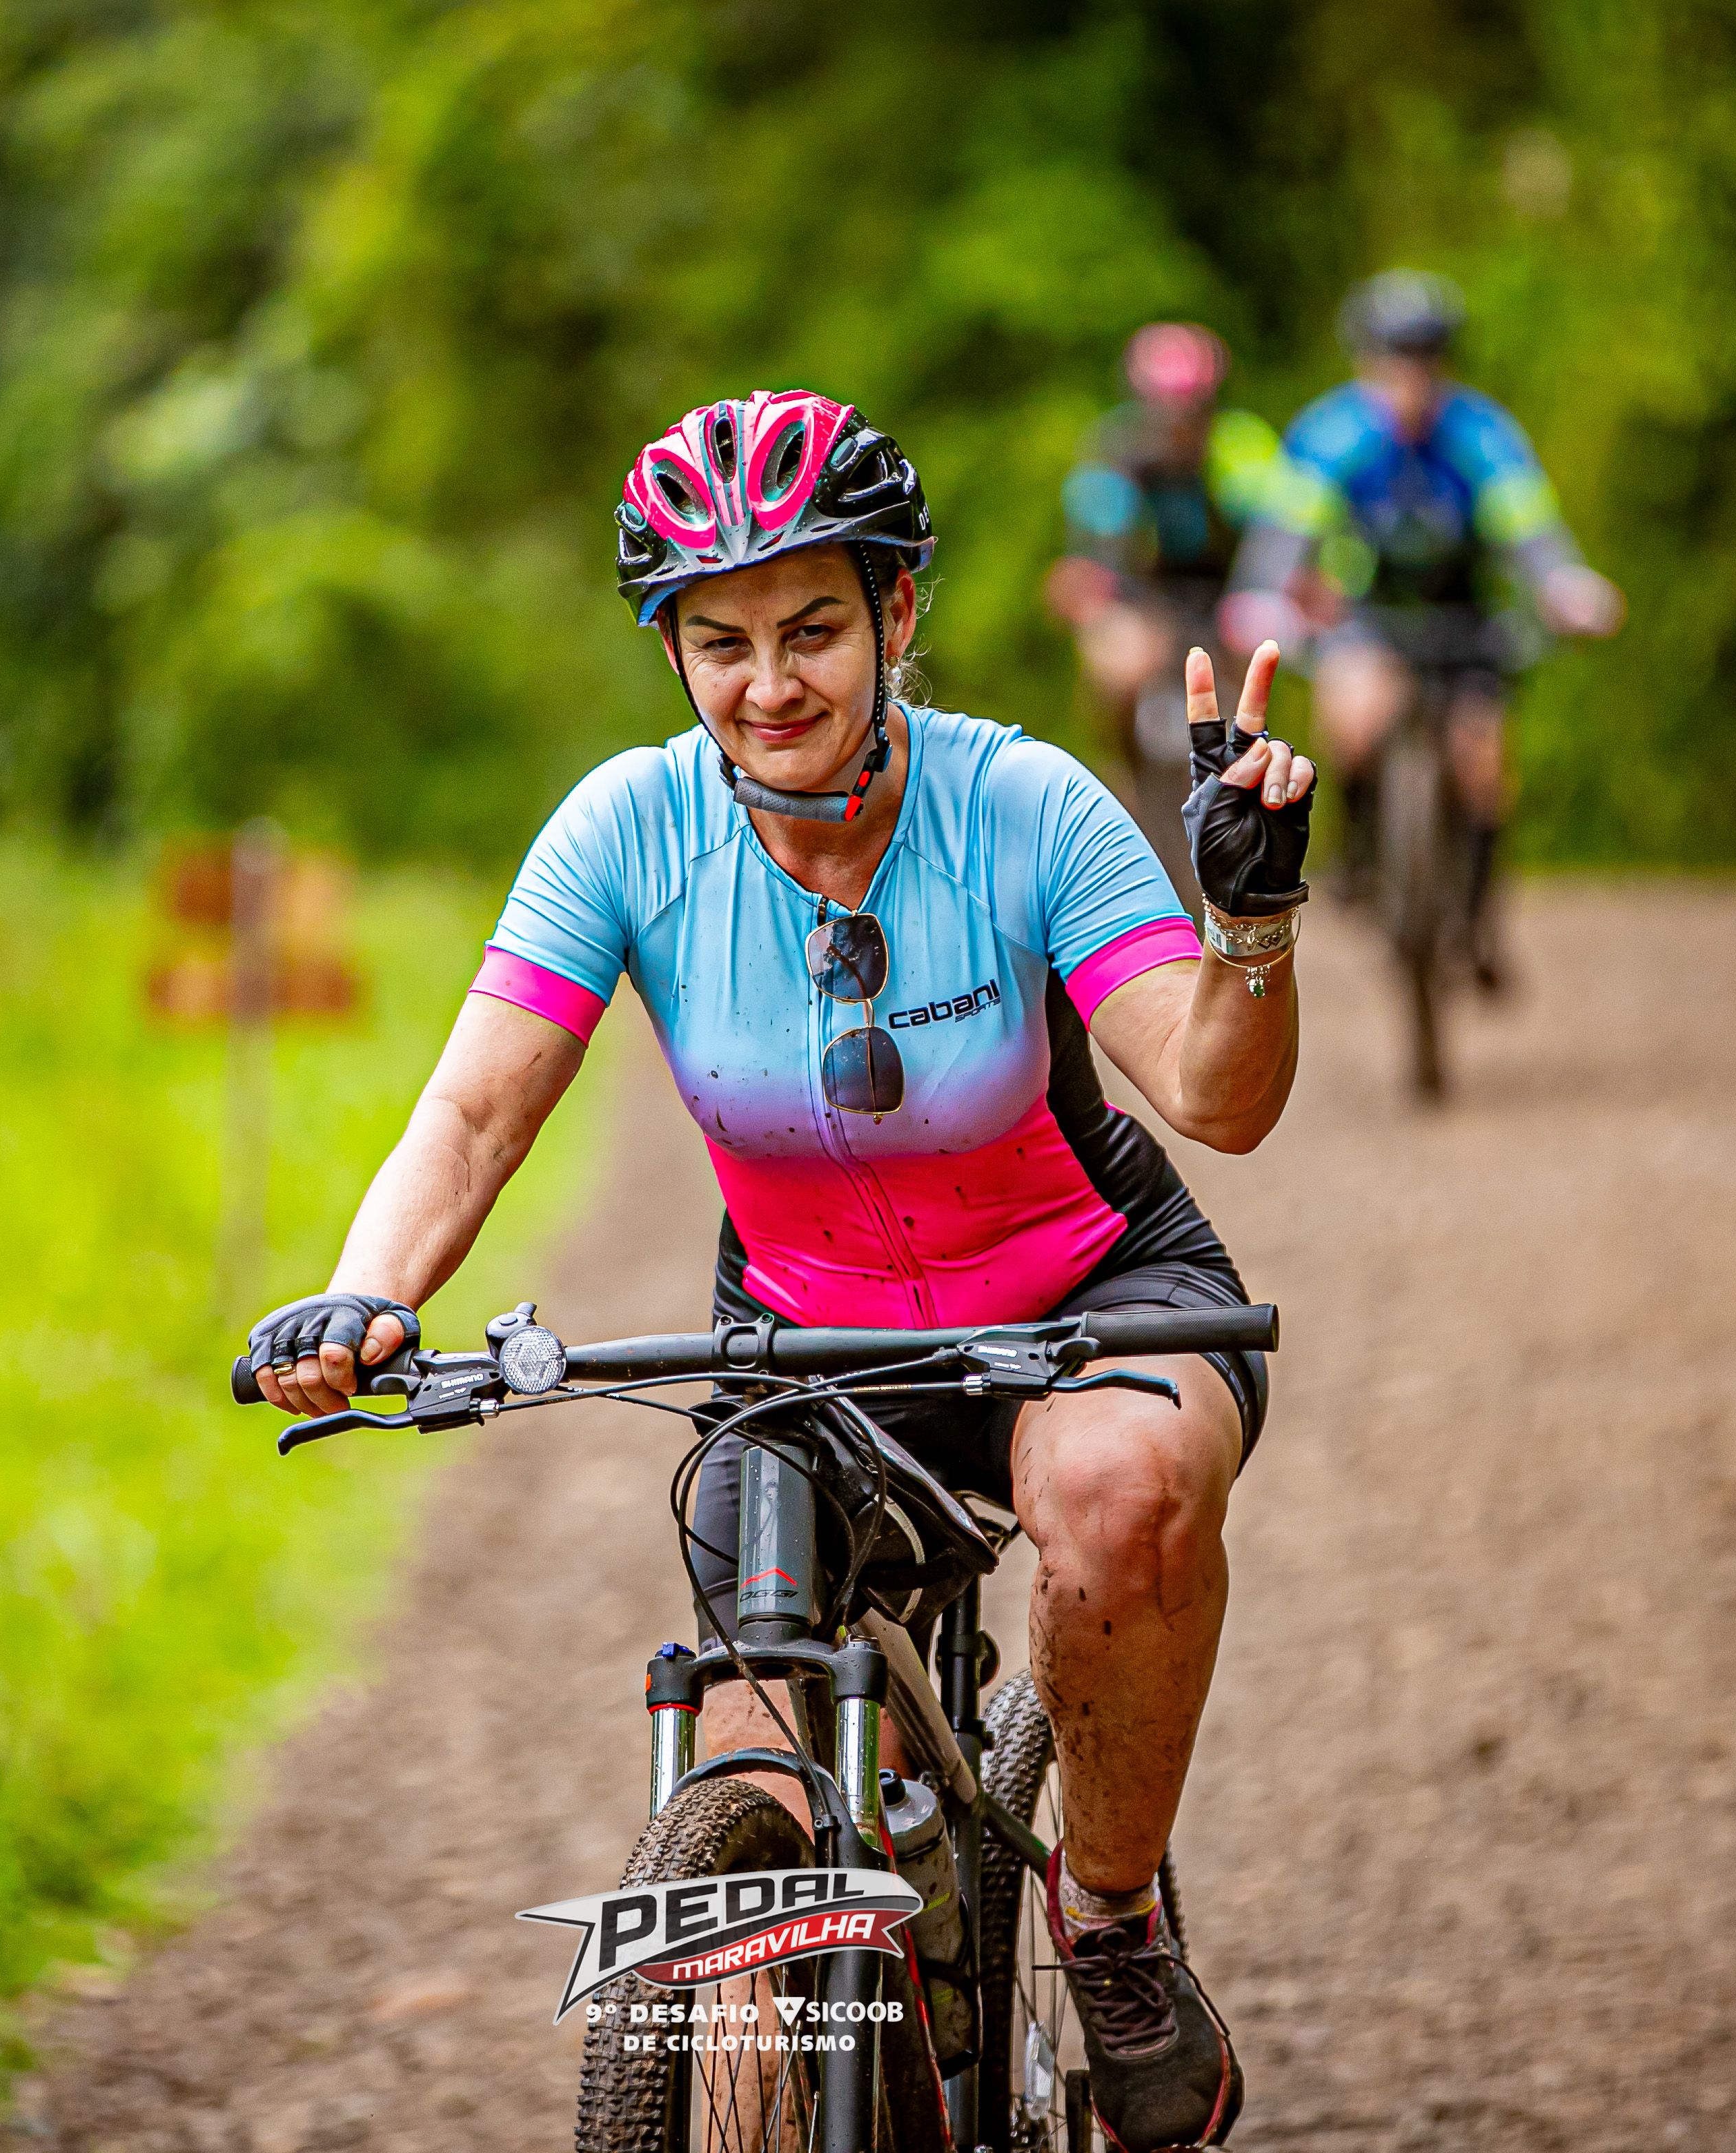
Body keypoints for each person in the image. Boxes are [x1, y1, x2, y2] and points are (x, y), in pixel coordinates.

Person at [243, 389, 1318, 2150]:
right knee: (757, 1755)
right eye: (719, 642)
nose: (769, 684)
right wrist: (370, 1293)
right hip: (809, 1337)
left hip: (1088, 1295)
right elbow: (474, 1110)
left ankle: (1113, 1922)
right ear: (670, 651)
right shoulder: (625, 830)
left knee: (1116, 1498)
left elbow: (1218, 1097)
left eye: (812, 627)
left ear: (897, 610)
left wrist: (1248, 924)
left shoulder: (1024, 804)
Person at [1223, 270, 1622, 984]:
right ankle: (1357, 855)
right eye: (1394, 358)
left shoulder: (1481, 433)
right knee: (1353, 715)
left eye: (1426, 358)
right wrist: (1260, 595)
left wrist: (1566, 585)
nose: (1410, 376)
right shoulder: (1332, 433)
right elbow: (1284, 533)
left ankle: (1477, 914)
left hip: (1465, 617)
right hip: (1369, 615)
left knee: (1483, 761)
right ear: (1365, 361)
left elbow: (1529, 527)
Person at [1047, 322, 1283, 896]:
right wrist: (1089, 583)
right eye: (1164, 408)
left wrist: (1275, 589)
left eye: (1191, 409)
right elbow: (1098, 535)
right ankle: (1119, 764)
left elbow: (1276, 531)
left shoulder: (1241, 446)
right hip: (1144, 598)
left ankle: (1255, 797)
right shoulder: (1114, 448)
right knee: (1117, 663)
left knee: (1258, 658)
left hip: (1226, 596)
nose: (1178, 422)